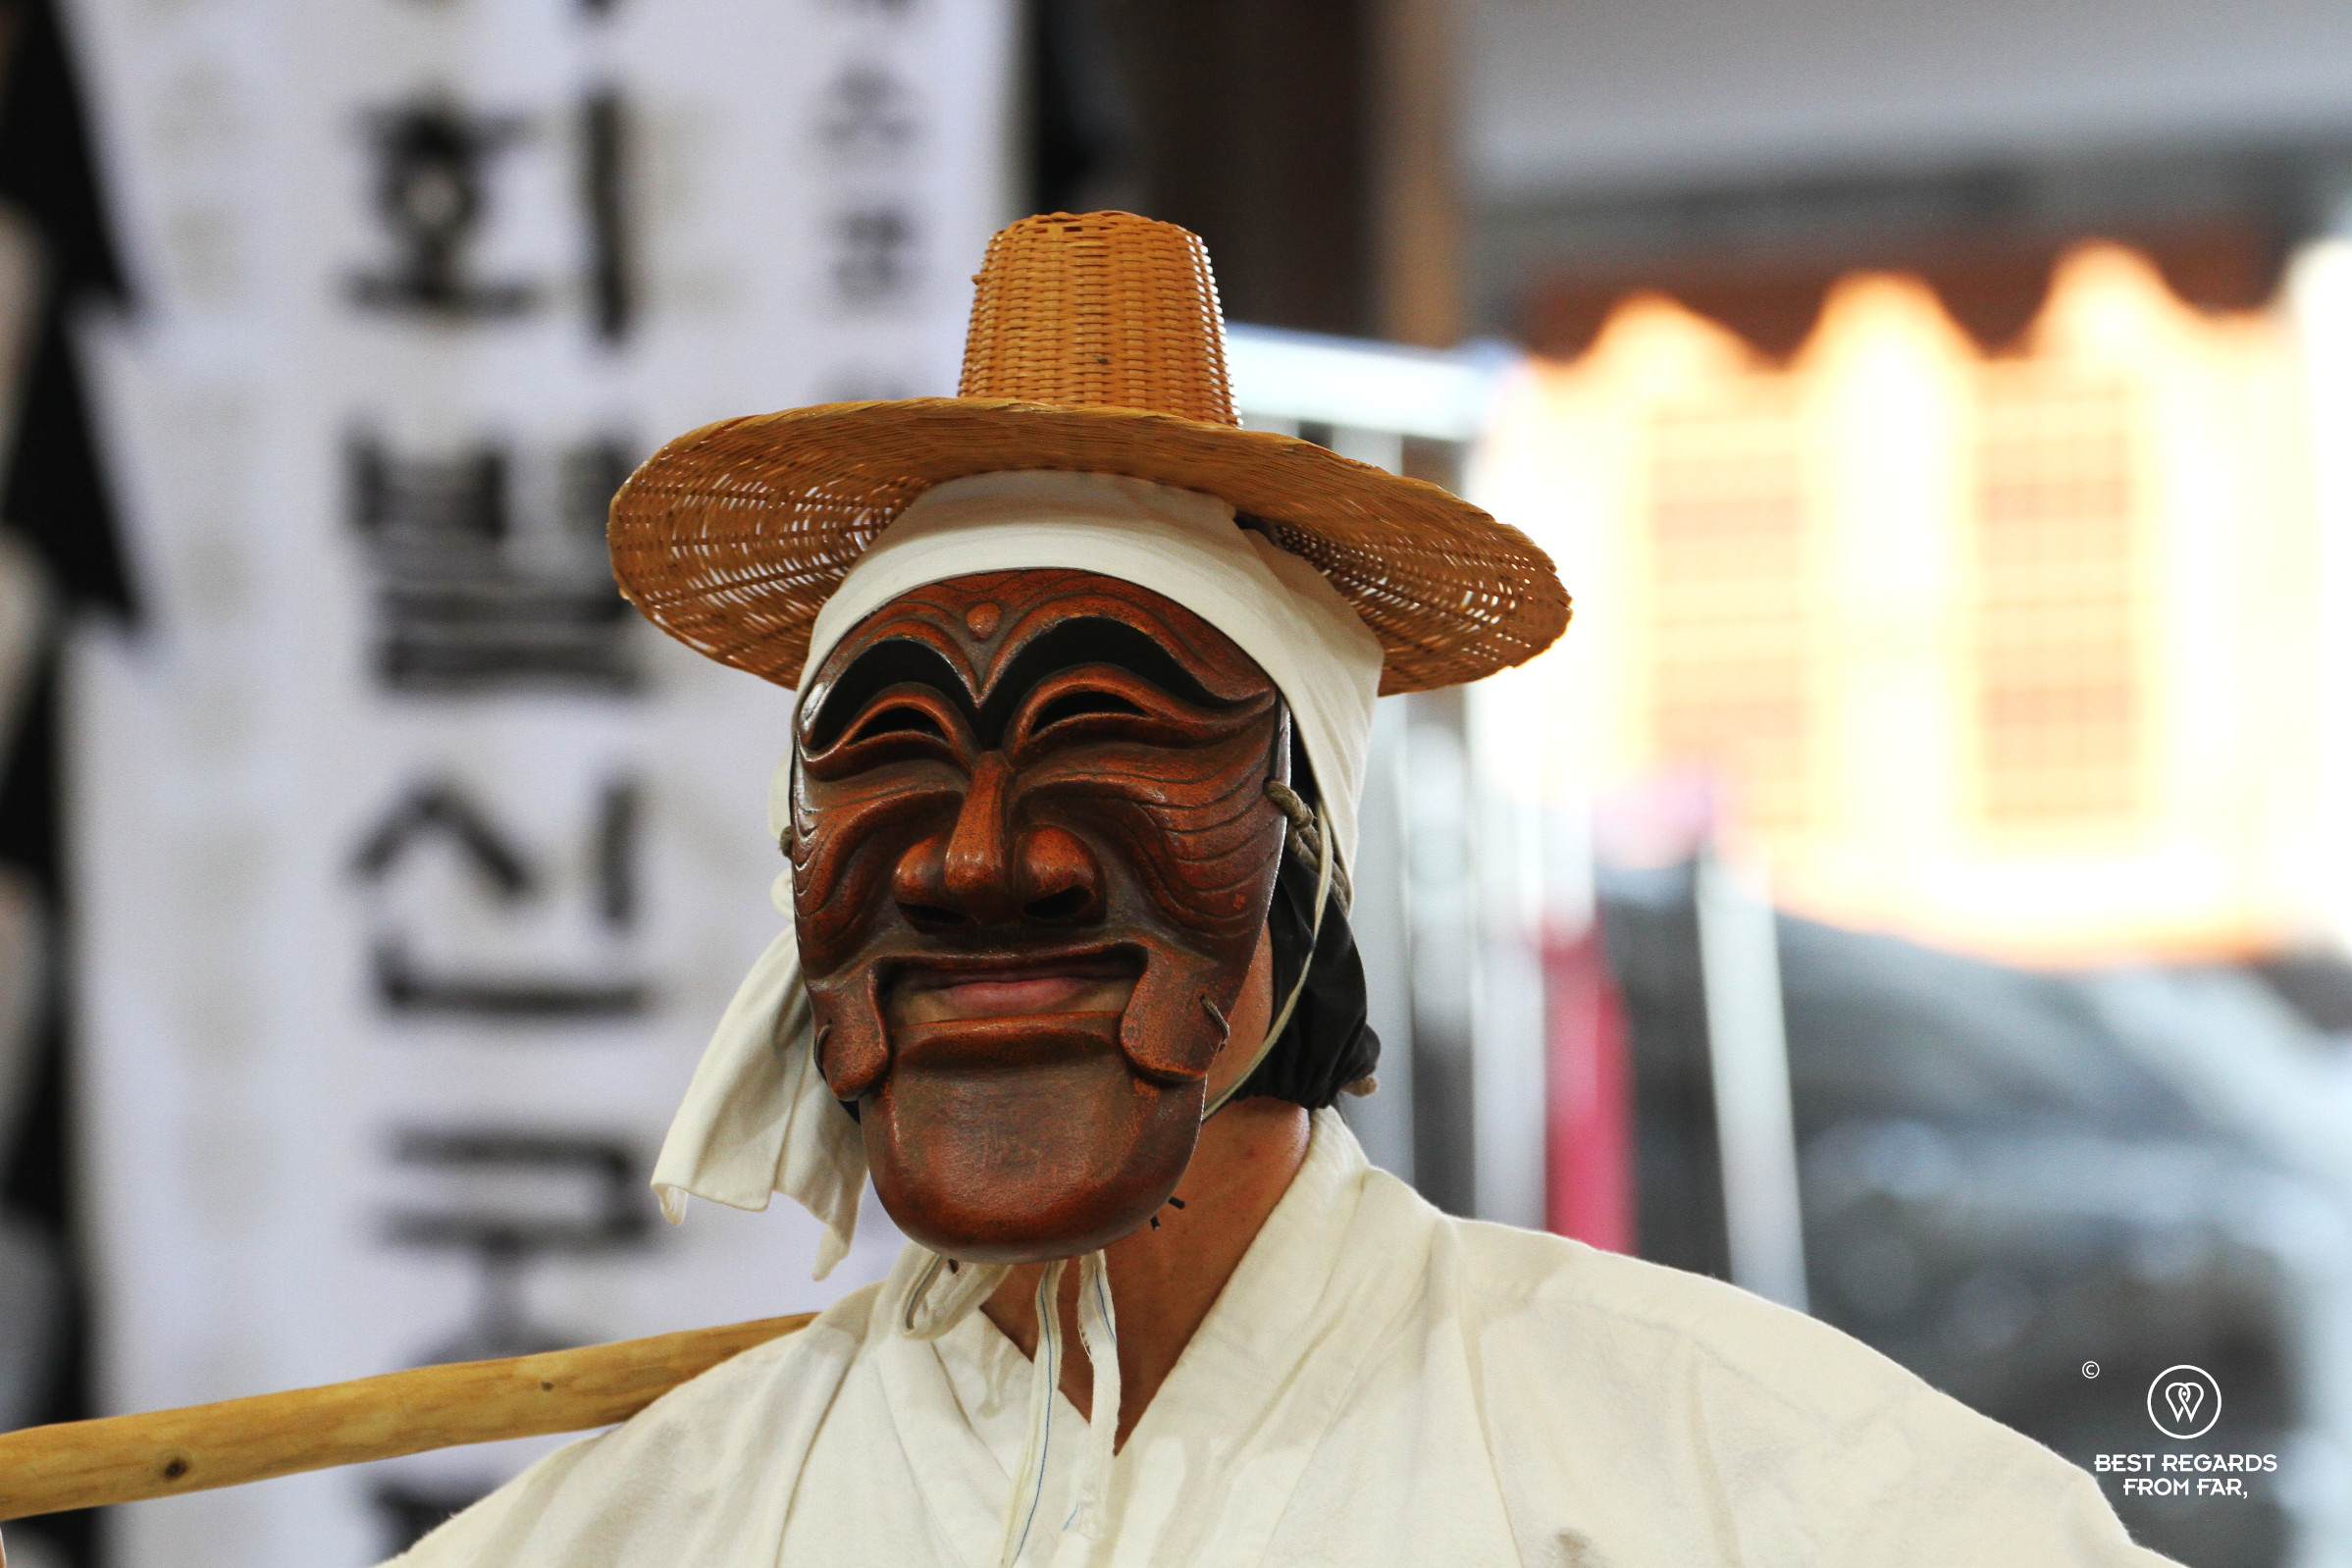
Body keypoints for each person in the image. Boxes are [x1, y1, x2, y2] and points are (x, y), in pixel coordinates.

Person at [389, 211, 2172, 1567]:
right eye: (889, 756)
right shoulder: (643, 1526)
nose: (974, 854)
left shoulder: (1754, 1483)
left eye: (1108, 737)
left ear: (1308, 851)